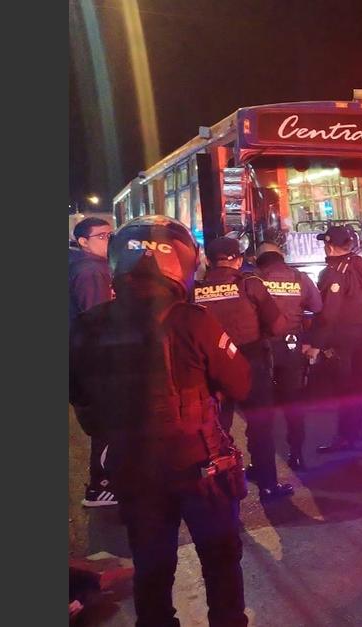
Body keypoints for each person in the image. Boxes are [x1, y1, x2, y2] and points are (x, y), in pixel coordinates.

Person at [69, 215, 252, 627]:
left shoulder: (87, 326)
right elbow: (241, 383)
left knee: (152, 565)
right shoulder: (194, 320)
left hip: (134, 468)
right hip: (200, 465)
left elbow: (81, 400)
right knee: (221, 559)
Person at [194, 236, 294, 500]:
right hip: (251, 364)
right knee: (260, 425)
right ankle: (268, 484)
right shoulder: (251, 284)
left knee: (217, 429)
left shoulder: (193, 290)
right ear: (238, 260)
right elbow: (278, 327)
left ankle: (222, 485)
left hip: (212, 368)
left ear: (207, 260)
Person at [303, 225, 362, 453]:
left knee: (344, 387)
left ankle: (344, 437)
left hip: (341, 336)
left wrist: (316, 344)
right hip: (361, 332)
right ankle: (356, 432)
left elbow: (329, 313)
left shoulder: (334, 272)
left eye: (325, 244)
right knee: (355, 384)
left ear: (330, 245)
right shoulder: (360, 264)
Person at [254, 241, 323, 470]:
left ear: (259, 259)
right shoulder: (299, 277)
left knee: (262, 407)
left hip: (263, 348)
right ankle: (296, 454)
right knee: (293, 404)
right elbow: (317, 306)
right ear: (281, 256)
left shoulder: (253, 279)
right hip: (292, 347)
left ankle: (262, 462)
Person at [69, 216, 117, 507]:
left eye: (111, 235)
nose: (108, 241)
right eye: (101, 236)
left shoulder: (80, 266)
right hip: (90, 362)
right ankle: (102, 486)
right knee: (108, 423)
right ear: (83, 242)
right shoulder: (92, 271)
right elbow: (99, 319)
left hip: (78, 358)